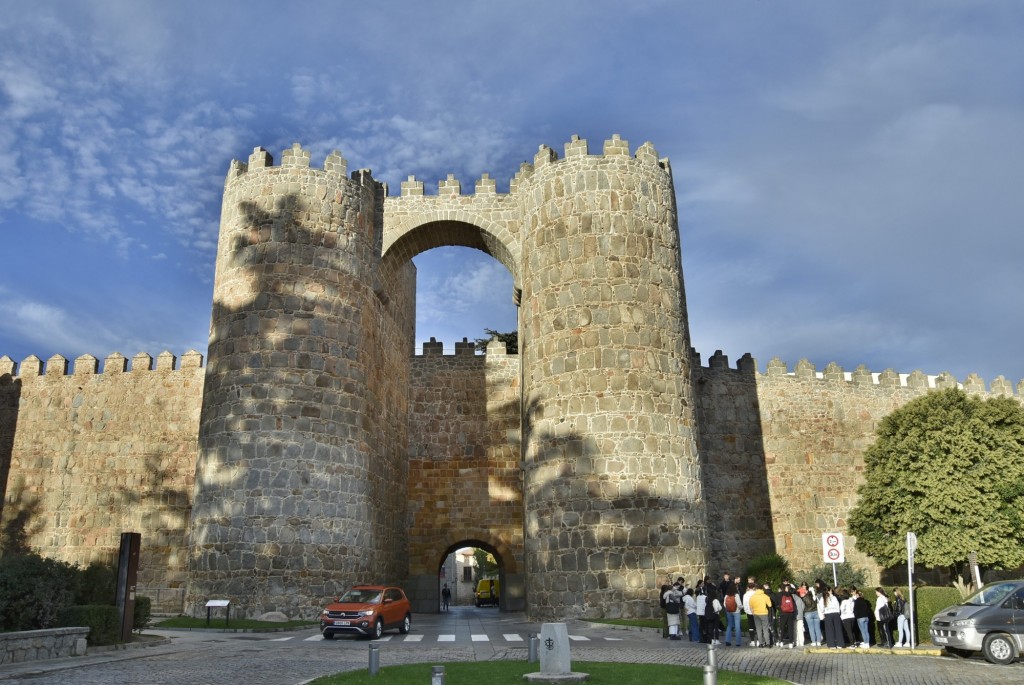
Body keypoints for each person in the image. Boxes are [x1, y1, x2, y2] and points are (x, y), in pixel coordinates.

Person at [818, 585, 843, 650]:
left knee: (829, 630)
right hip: (836, 614)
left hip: (828, 614)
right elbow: (838, 606)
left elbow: (821, 608)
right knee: (838, 629)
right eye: (831, 590)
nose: (832, 591)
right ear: (829, 591)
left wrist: (823, 613)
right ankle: (840, 644)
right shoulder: (834, 597)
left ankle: (832, 645)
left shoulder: (823, 598)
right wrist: (838, 613)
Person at [749, 582, 772, 648]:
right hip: (764, 613)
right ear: (762, 589)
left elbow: (751, 606)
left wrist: (753, 612)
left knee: (758, 629)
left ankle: (761, 643)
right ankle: (767, 643)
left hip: (756, 614)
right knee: (765, 628)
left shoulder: (752, 597)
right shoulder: (765, 596)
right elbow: (770, 605)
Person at [801, 582, 822, 646]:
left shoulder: (803, 595)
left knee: (811, 628)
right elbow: (816, 601)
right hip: (816, 611)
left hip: (808, 612)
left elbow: (804, 604)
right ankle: (819, 642)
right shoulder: (813, 593)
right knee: (817, 627)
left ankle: (813, 641)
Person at [776, 582, 797, 648]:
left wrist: (780, 609)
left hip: (783, 613)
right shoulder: (790, 595)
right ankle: (791, 642)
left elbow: (777, 604)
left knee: (782, 628)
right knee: (790, 628)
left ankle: (781, 641)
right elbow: (793, 604)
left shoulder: (779, 594)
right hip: (790, 613)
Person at [742, 579, 758, 646]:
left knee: (751, 626)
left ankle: (752, 640)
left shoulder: (745, 595)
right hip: (756, 611)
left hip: (749, 611)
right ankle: (758, 640)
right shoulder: (756, 593)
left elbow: (744, 604)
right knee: (757, 625)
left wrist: (746, 610)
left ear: (748, 588)